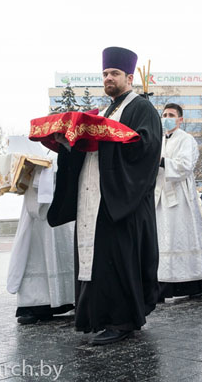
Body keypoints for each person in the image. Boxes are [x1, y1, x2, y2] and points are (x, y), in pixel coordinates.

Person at [48, 46, 162, 345]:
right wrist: (69, 144)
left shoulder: (142, 108)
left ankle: (121, 320)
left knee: (117, 259)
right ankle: (95, 316)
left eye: (114, 73)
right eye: (105, 74)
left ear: (129, 77)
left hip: (120, 198)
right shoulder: (106, 111)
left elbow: (146, 149)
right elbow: (92, 149)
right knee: (97, 259)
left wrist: (104, 137)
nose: (108, 78)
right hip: (93, 196)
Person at [156, 103, 202, 302]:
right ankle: (161, 282)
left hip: (180, 195)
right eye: (164, 114)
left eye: (171, 115)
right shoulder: (158, 139)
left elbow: (185, 165)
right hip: (160, 195)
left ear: (180, 119)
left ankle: (192, 282)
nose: (167, 118)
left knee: (180, 236)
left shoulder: (186, 139)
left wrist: (161, 161)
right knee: (162, 239)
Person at [7, 155, 75, 325]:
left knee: (64, 245)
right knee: (34, 250)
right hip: (34, 197)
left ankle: (70, 298)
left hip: (62, 190)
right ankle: (35, 304)